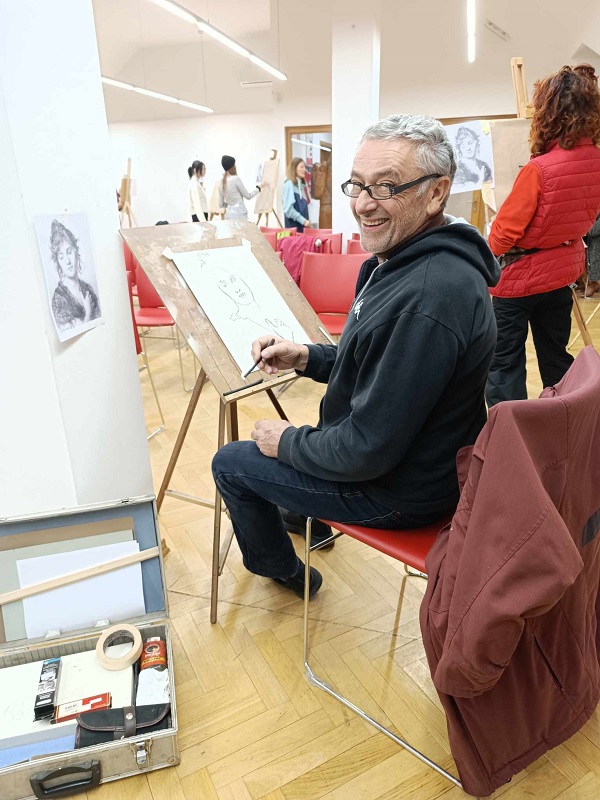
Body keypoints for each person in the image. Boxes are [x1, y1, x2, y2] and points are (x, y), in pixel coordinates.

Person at [211, 114, 500, 599]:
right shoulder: (405, 259)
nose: (363, 204)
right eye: (357, 185)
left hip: (397, 492)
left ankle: (279, 567)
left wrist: (287, 442)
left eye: (385, 187)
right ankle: (300, 512)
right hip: (398, 466)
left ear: (436, 192)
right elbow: (373, 361)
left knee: (232, 462)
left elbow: (365, 449)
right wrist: (306, 357)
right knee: (293, 447)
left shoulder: (428, 296)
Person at [486, 64, 600, 406]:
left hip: (518, 279)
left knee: (503, 364)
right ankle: (565, 422)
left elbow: (502, 236)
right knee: (556, 358)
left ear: (549, 113)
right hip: (562, 272)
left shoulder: (539, 169)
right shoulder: (596, 160)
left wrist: (490, 241)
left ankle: (512, 431)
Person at [50, 219, 100, 330]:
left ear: (76, 252)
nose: (67, 261)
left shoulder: (88, 289)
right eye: (61, 257)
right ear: (58, 262)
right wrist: (88, 313)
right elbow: (72, 335)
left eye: (69, 252)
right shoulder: (59, 300)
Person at [218, 155, 263, 220]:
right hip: (239, 213)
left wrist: (230, 205)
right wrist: (258, 188)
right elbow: (248, 196)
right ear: (232, 166)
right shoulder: (235, 179)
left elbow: (220, 204)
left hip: (228, 214)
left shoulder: (221, 182)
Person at [283, 157, 312, 232]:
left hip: (303, 231)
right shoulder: (289, 184)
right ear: (294, 169)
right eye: (301, 167)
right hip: (294, 232)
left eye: (305, 167)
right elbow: (288, 211)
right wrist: (304, 221)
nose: (304, 170)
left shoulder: (302, 186)